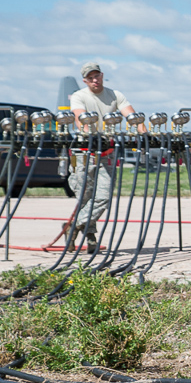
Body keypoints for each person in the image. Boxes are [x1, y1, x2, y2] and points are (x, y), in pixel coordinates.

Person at [65, 61, 145, 252]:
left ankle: (74, 225)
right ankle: (90, 235)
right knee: (84, 194)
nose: (95, 80)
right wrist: (90, 135)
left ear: (102, 76)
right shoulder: (78, 96)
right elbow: (80, 118)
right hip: (84, 152)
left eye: (97, 76)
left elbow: (132, 117)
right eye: (90, 77)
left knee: (103, 196)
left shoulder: (115, 95)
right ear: (85, 80)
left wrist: (144, 134)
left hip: (107, 152)